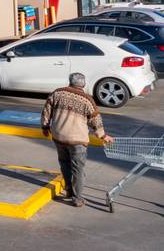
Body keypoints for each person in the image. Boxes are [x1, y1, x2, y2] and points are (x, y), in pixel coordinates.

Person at [41, 72, 114, 207]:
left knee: (64, 163)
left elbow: (46, 111)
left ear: (70, 81)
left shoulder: (57, 93)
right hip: (78, 141)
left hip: (59, 137)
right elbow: (95, 121)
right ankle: (77, 198)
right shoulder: (87, 100)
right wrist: (103, 136)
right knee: (78, 169)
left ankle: (69, 190)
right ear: (83, 84)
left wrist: (45, 127)